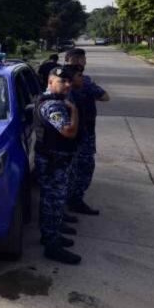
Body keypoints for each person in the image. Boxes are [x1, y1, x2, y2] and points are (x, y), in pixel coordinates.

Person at [33, 64, 82, 265]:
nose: (67, 85)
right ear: (50, 82)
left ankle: (50, 236)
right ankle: (52, 246)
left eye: (69, 81)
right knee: (52, 202)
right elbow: (68, 131)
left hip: (55, 160)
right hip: (52, 163)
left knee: (52, 202)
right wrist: (75, 111)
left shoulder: (55, 100)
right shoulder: (51, 105)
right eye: (62, 81)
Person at [65, 48, 110, 216]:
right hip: (80, 133)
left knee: (70, 169)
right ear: (76, 60)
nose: (84, 62)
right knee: (82, 168)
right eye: (82, 59)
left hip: (69, 132)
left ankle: (68, 202)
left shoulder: (56, 75)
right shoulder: (84, 82)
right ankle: (74, 201)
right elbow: (105, 97)